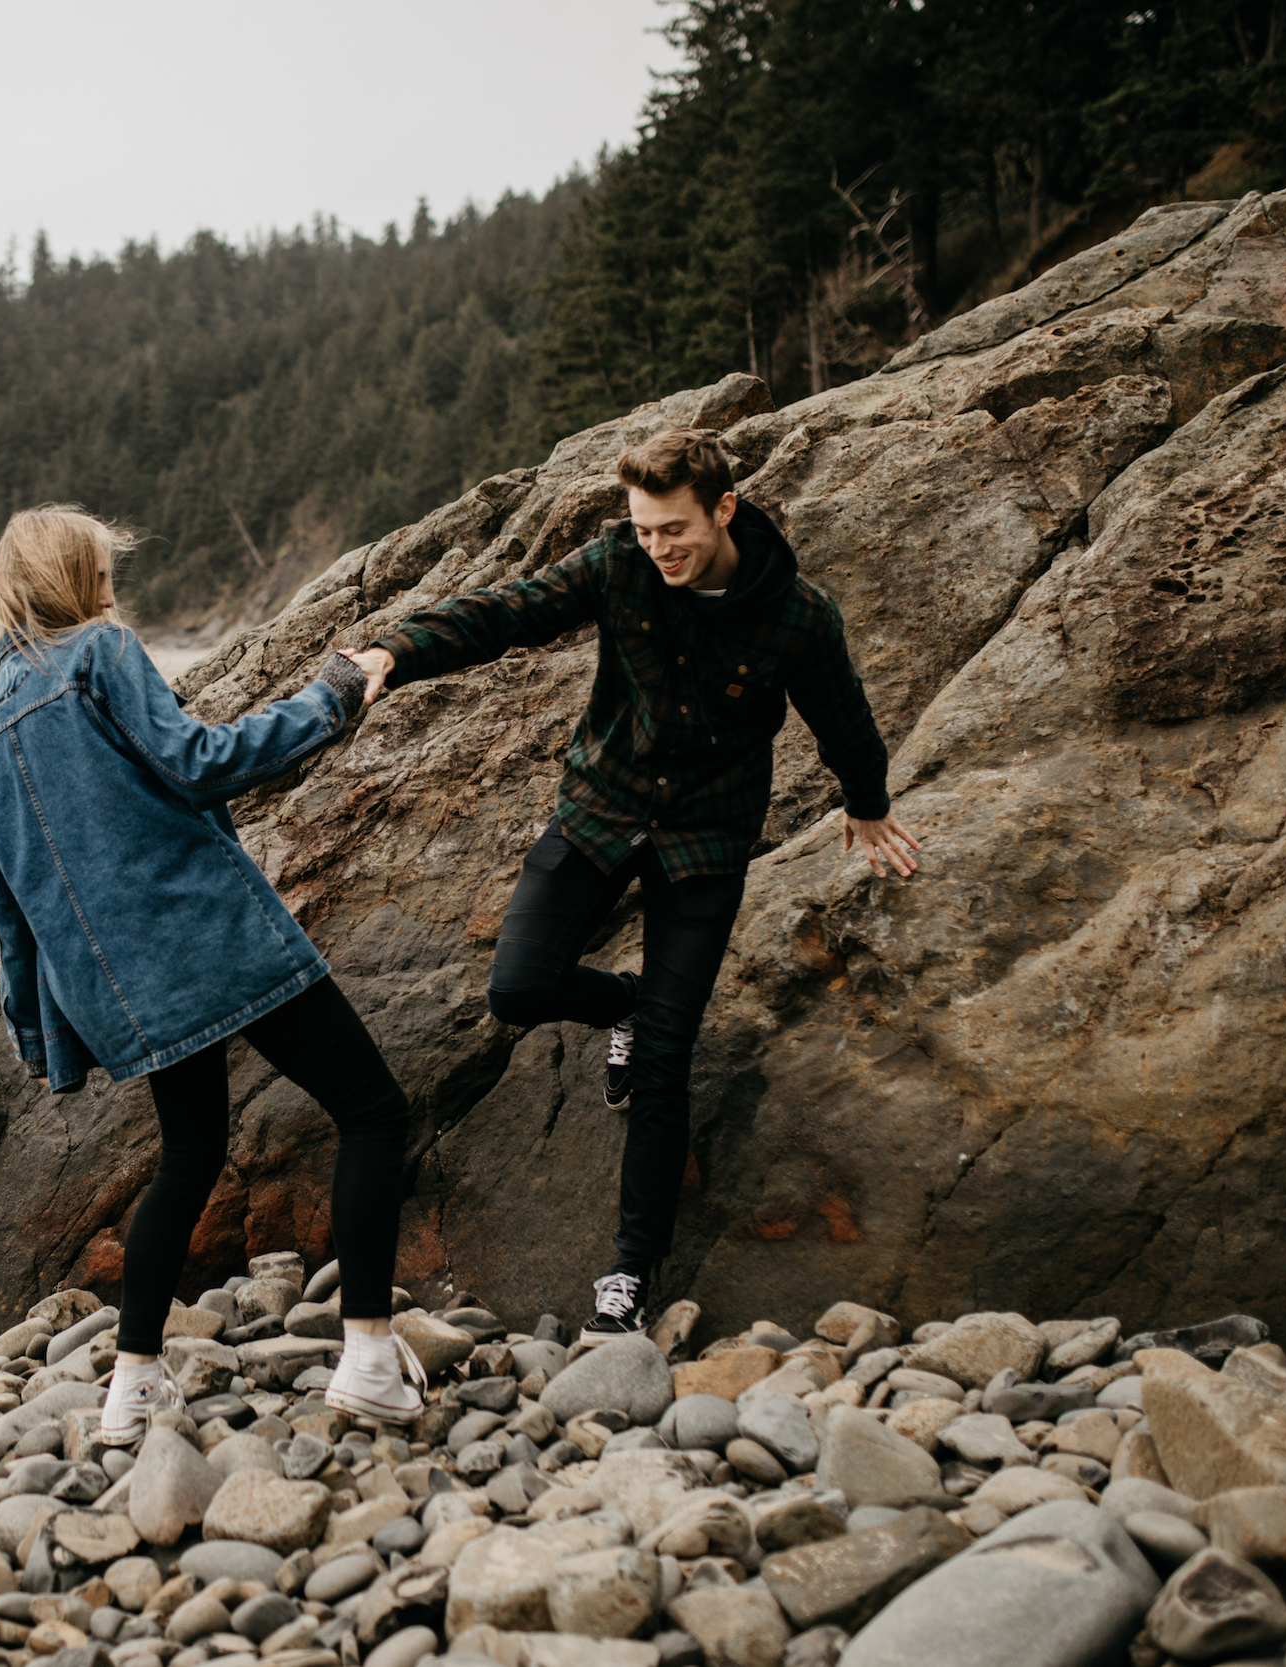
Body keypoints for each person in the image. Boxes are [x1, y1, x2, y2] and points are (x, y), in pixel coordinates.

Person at [344, 429, 921, 1341]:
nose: (660, 549)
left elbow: (839, 710)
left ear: (724, 508)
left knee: (663, 1064)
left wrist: (869, 800)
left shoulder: (796, 614)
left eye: (675, 531)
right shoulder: (620, 563)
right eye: (646, 530)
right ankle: (626, 1002)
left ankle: (627, 1272)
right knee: (519, 987)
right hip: (602, 809)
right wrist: (399, 652)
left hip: (705, 840)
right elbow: (513, 611)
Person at [0, 504, 425, 1444]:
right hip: (209, 937)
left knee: (190, 1156)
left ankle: (132, 1387)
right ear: (74, 578)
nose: (111, 582)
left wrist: (38, 1032)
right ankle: (371, 1359)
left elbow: (10, 897)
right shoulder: (102, 653)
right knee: (374, 1112)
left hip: (128, 986)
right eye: (101, 565)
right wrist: (335, 693)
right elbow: (200, 763)